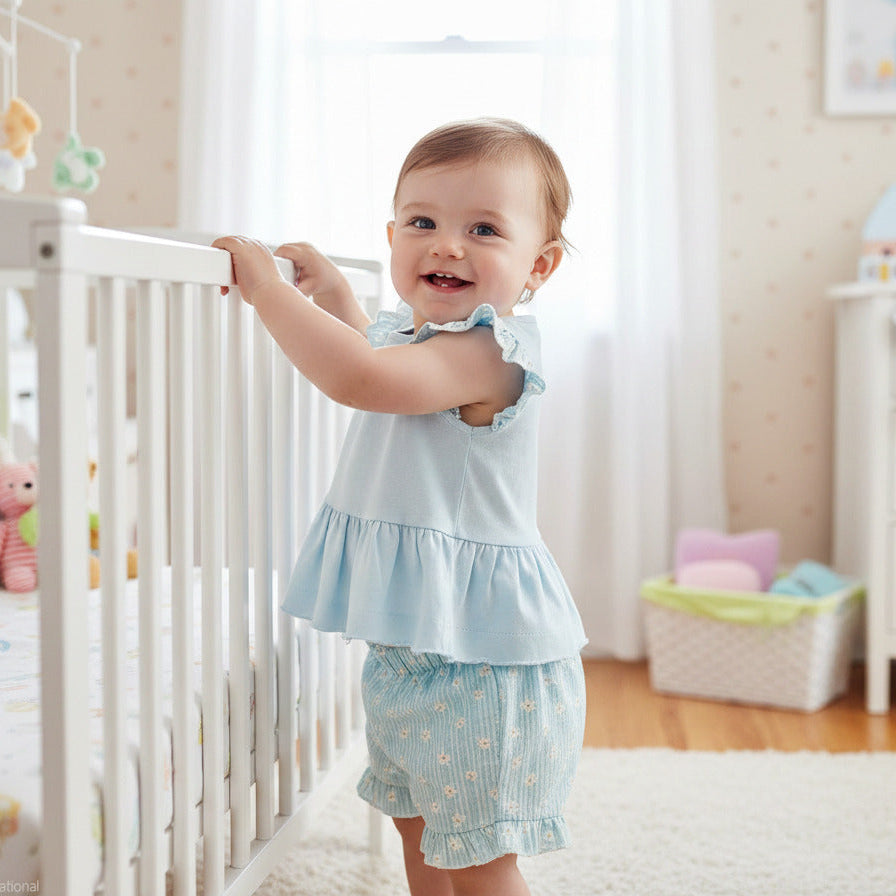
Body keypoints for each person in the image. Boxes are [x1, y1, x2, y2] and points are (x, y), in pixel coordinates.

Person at [213, 117, 587, 896]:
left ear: (537, 267)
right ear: (391, 234)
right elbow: (380, 359)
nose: (447, 245)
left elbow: (365, 380)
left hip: (487, 662)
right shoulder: (424, 340)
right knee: (422, 828)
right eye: (423, 222)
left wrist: (271, 293)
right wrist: (337, 298)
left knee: (480, 859)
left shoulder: (491, 352)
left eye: (483, 229)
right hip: (418, 646)